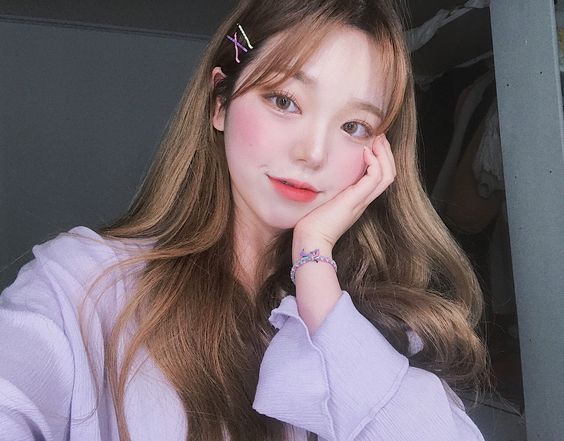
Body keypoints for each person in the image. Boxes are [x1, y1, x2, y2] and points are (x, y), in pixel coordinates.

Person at [0, 0, 491, 440]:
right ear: (220, 102)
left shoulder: (383, 328)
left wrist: (316, 269)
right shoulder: (85, 284)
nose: (313, 152)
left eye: (353, 126)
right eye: (284, 101)